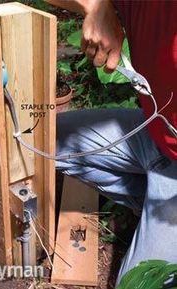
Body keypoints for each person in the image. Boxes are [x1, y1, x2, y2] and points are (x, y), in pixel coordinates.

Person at [45, 0, 177, 285]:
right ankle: (150, 201)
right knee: (40, 142)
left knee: (137, 283)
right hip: (154, 137)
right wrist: (94, 5)